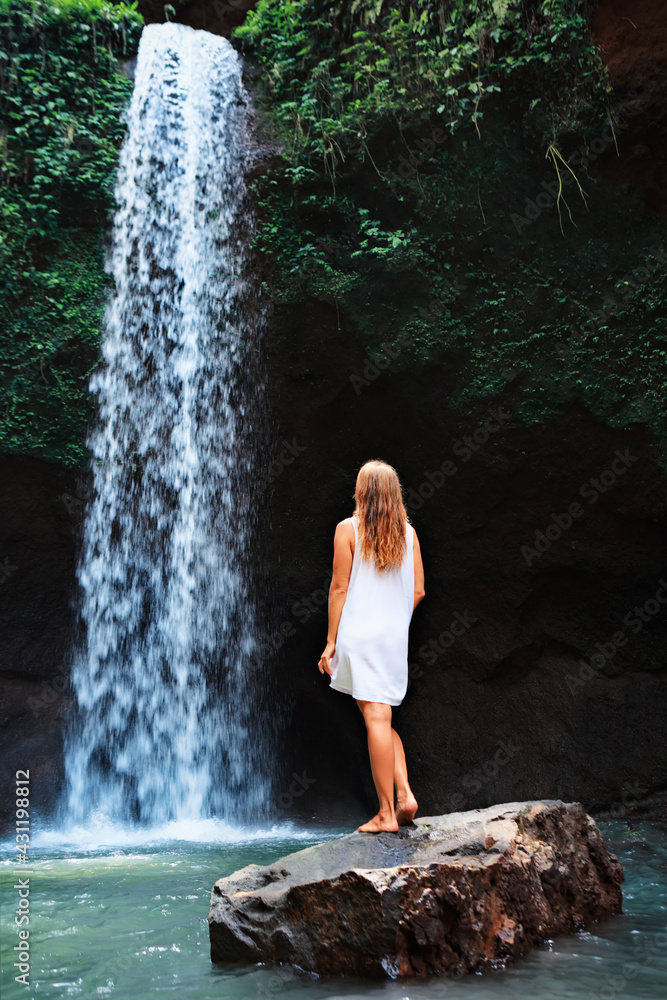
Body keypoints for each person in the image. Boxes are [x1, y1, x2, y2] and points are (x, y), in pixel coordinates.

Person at [318, 459, 425, 833]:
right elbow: (418, 591)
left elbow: (339, 588)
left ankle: (385, 814)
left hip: (359, 635)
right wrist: (394, 620)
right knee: (383, 715)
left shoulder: (347, 529)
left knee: (375, 716)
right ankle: (405, 794)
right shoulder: (409, 535)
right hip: (393, 638)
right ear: (394, 494)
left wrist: (331, 641)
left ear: (362, 492)